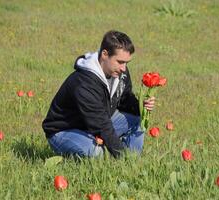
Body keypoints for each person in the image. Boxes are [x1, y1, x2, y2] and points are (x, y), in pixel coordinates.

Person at [42, 30, 155, 158]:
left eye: (126, 63)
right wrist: (122, 156)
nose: (124, 68)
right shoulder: (84, 83)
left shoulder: (119, 72)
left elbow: (124, 100)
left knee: (138, 120)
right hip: (64, 131)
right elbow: (101, 125)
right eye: (120, 62)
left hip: (94, 124)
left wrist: (141, 106)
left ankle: (134, 158)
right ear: (105, 54)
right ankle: (124, 159)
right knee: (97, 153)